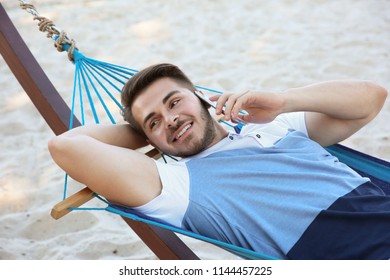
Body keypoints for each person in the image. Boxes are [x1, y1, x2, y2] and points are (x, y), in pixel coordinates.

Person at [48, 63, 389, 259]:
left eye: (174, 102)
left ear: (201, 98)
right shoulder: (176, 187)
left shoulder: (274, 125)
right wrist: (143, 131)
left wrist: (284, 101)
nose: (169, 119)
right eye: (153, 121)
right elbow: (67, 146)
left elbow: (371, 98)